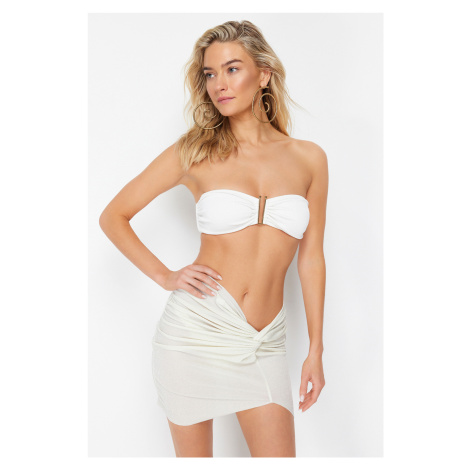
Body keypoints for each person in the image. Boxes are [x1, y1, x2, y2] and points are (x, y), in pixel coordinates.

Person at [99, 20, 328, 458]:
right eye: (209, 73)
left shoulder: (309, 159)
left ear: (264, 74)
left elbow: (311, 258)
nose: (218, 84)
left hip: (263, 343)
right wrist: (165, 276)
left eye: (232, 69)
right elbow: (114, 216)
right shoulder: (195, 152)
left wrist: (315, 349)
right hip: (194, 334)